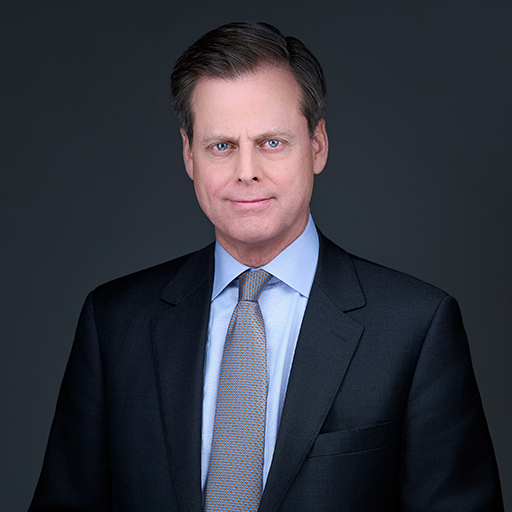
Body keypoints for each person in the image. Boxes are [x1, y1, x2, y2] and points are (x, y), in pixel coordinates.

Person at [29, 21, 503, 511]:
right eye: (222, 146)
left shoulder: (415, 328)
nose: (246, 171)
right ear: (189, 155)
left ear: (317, 145)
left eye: (272, 143)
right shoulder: (114, 323)